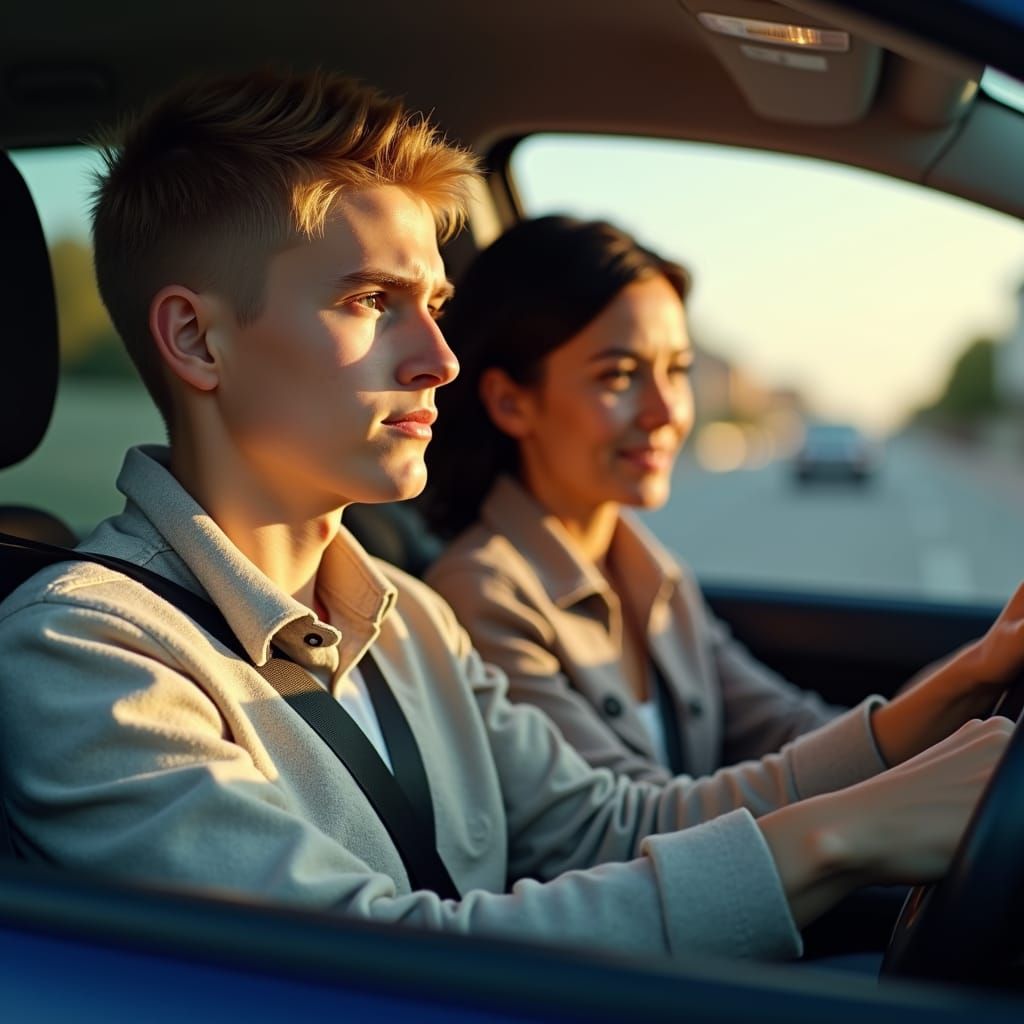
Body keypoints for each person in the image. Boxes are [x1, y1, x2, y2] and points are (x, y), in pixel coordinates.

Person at [0, 71, 1015, 966]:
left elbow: (611, 825)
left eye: (434, 303)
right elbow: (361, 967)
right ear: (197, 340)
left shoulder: (405, 615)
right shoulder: (85, 655)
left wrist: (940, 722)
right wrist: (842, 837)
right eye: (369, 300)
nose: (438, 358)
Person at [422, 215, 1024, 786]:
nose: (666, 412)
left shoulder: (652, 576)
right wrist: (972, 678)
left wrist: (981, 670)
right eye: (619, 376)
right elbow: (634, 833)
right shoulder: (480, 597)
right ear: (510, 402)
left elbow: (799, 735)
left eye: (677, 370)